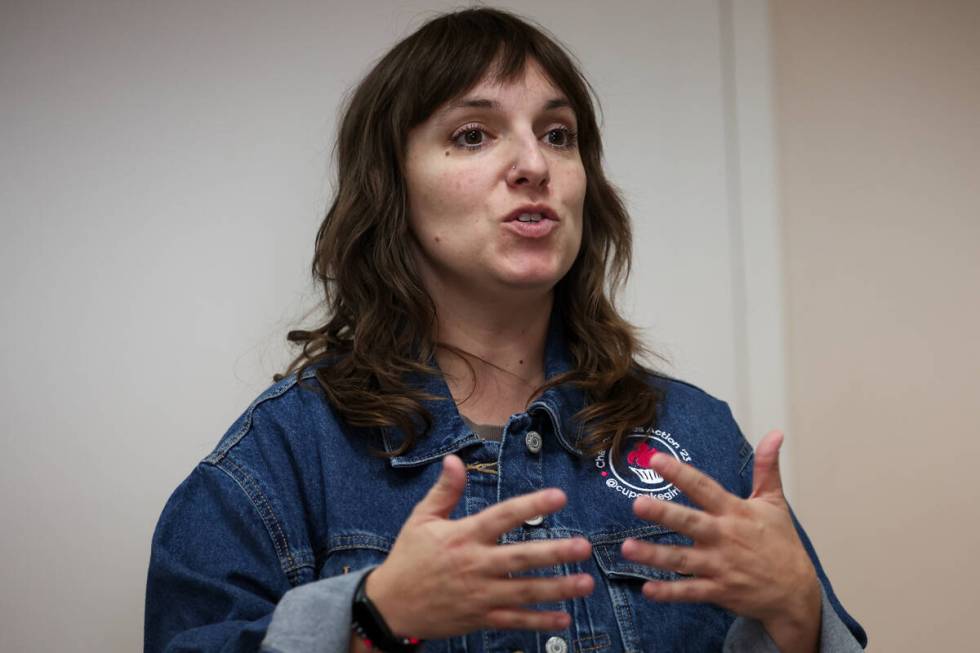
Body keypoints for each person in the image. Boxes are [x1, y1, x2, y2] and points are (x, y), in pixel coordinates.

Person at [145, 8, 867, 653]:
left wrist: (800, 619)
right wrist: (372, 621)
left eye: (558, 135)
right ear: (392, 190)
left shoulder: (699, 438)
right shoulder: (281, 461)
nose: (533, 165)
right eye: (472, 134)